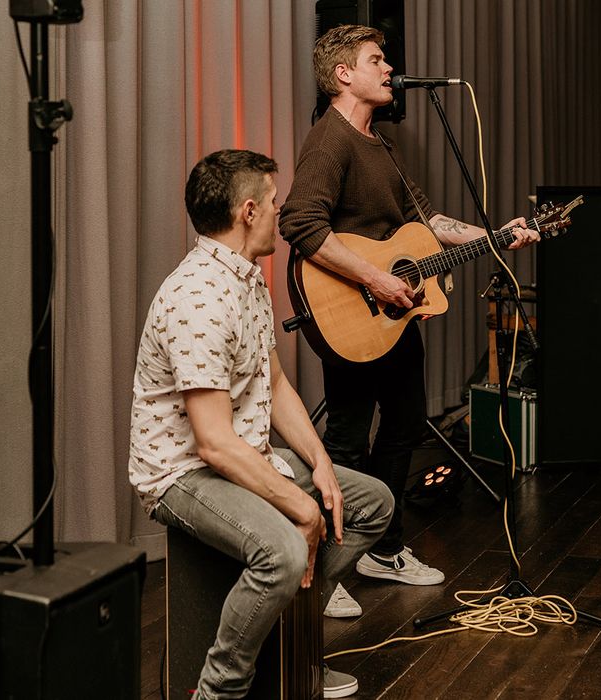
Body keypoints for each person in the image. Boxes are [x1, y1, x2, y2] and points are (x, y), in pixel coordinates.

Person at [278, 25, 539, 613]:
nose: (390, 68)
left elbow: (427, 221)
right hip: (353, 313)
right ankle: (327, 568)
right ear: (344, 74)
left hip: (396, 320)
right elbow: (299, 223)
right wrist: (374, 279)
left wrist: (496, 239)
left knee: (403, 426)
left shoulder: (381, 145)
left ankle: (383, 546)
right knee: (347, 439)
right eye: (377, 60)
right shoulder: (331, 140)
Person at [129, 149, 394, 699]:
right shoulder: (197, 298)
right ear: (249, 211)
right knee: (285, 549)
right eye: (275, 201)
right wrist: (301, 508)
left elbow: (271, 385)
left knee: (371, 503)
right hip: (182, 473)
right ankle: (218, 690)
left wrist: (320, 463)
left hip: (242, 452)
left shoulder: (247, 280)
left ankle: (288, 646)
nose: (283, 211)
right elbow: (213, 443)